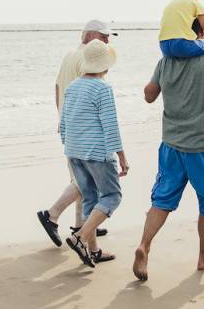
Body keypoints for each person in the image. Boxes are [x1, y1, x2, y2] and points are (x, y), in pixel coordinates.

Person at [132, 35, 204, 282]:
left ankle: (144, 245)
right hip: (201, 147)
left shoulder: (165, 62)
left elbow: (148, 95)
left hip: (170, 145)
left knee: (162, 199)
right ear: (199, 36)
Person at [36, 20, 114, 247]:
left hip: (70, 126)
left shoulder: (70, 55)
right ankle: (52, 214)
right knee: (85, 181)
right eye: (104, 36)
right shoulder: (90, 59)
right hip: (84, 130)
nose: (108, 41)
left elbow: (58, 87)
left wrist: (62, 118)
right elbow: (95, 99)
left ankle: (83, 227)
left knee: (82, 180)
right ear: (90, 36)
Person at [59, 40, 129, 268]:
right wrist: (121, 156)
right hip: (96, 152)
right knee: (112, 196)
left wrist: (68, 148)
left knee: (90, 198)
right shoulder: (102, 89)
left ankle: (94, 250)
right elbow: (110, 125)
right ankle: (80, 237)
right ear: (105, 66)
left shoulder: (73, 87)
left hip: (74, 151)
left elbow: (63, 123)